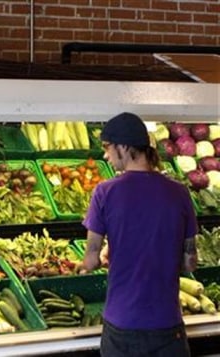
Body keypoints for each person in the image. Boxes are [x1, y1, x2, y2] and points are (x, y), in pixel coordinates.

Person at [81, 112, 198, 357]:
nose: (106, 155)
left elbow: (91, 261)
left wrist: (94, 260)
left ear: (124, 147)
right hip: (168, 326)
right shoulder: (179, 193)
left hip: (123, 326)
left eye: (108, 147)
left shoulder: (104, 192)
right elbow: (189, 262)